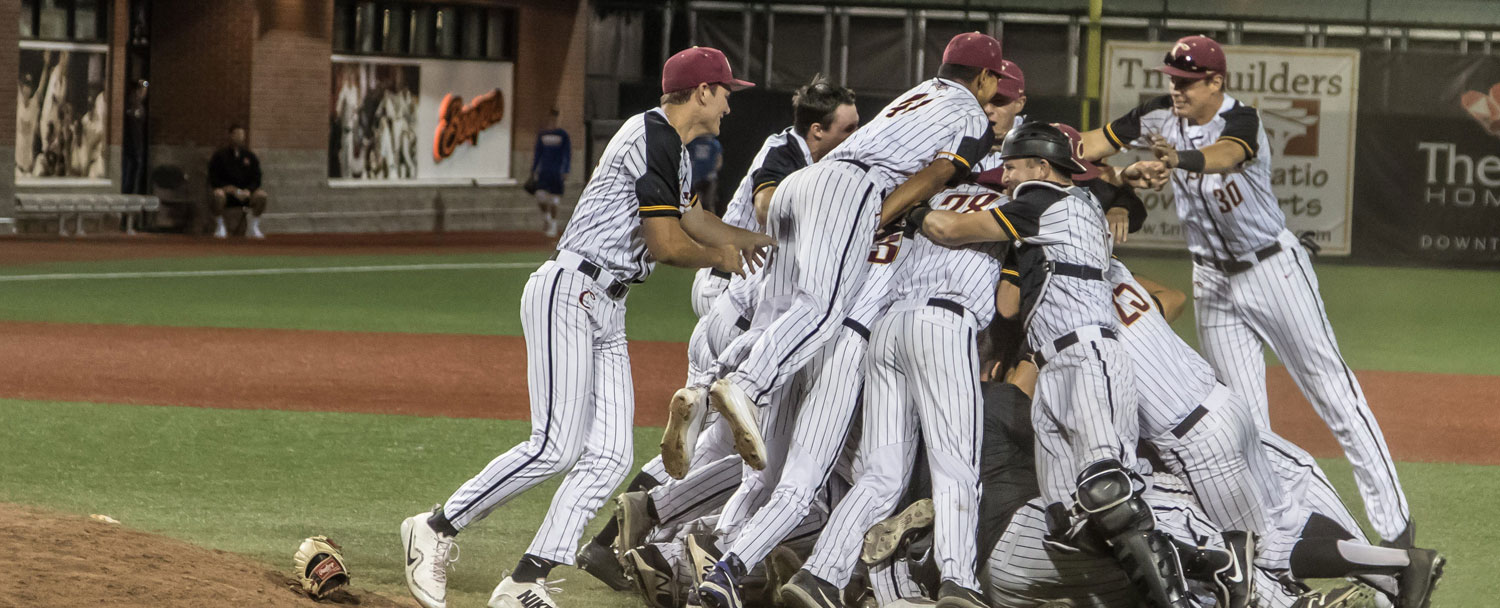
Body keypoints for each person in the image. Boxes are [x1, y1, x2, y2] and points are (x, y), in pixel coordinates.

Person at [398, 46, 773, 608]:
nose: (728, 105)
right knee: (554, 446)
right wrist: (719, 260)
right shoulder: (652, 137)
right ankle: (435, 527)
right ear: (700, 92)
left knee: (609, 457)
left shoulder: (674, 150)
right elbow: (669, 245)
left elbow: (694, 219)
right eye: (724, 92)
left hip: (607, 305)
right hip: (571, 291)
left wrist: (752, 242)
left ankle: (525, 578)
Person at [690, 32, 1000, 608]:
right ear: (983, 83)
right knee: (800, 481)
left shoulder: (912, 101)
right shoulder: (950, 176)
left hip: (792, 280)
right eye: (998, 95)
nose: (996, 108)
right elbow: (943, 177)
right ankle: (737, 563)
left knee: (771, 468)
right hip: (849, 343)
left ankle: (725, 564)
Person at [1078, 35, 1417, 549]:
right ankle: (1284, 539)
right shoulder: (1155, 117)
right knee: (1245, 420)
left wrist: (1177, 162)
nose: (1176, 88)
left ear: (1217, 82)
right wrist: (1110, 175)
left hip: (1273, 270)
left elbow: (1227, 156)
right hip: (1211, 279)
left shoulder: (1243, 121)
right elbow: (1087, 147)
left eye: (1187, 82)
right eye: (1172, 78)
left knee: (1334, 392)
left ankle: (1396, 532)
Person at [208, 124, 269, 239]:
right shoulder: (219, 156)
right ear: (230, 135)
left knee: (261, 196)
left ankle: (253, 226)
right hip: (228, 193)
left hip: (245, 194)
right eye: (237, 134)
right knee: (217, 195)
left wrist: (248, 190)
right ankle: (220, 226)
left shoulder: (250, 156)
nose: (240, 137)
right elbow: (213, 178)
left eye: (242, 135)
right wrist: (230, 189)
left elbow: (257, 178)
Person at [531, 108, 571, 237]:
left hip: (556, 172)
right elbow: (538, 153)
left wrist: (565, 170)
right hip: (544, 172)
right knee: (540, 196)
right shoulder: (542, 135)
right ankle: (547, 216)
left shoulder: (562, 135)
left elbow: (567, 154)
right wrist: (533, 169)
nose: (552, 121)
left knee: (554, 200)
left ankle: (553, 224)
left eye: (554, 118)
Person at [687, 135, 724, 215]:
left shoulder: (714, 144)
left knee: (709, 203)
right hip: (696, 178)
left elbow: (719, 160)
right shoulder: (693, 143)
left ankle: (714, 224)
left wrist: (713, 171)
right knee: (695, 203)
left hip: (710, 179)